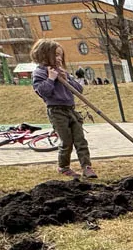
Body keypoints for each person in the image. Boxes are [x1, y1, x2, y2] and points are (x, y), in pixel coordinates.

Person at [30, 39, 96, 179]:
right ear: (44, 54)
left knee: (80, 140)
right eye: (56, 55)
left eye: (60, 55)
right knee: (66, 141)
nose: (59, 58)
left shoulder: (62, 71)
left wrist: (67, 79)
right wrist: (51, 78)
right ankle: (63, 167)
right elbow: (43, 92)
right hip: (57, 111)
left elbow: (79, 90)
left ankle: (86, 166)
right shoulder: (40, 73)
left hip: (71, 110)